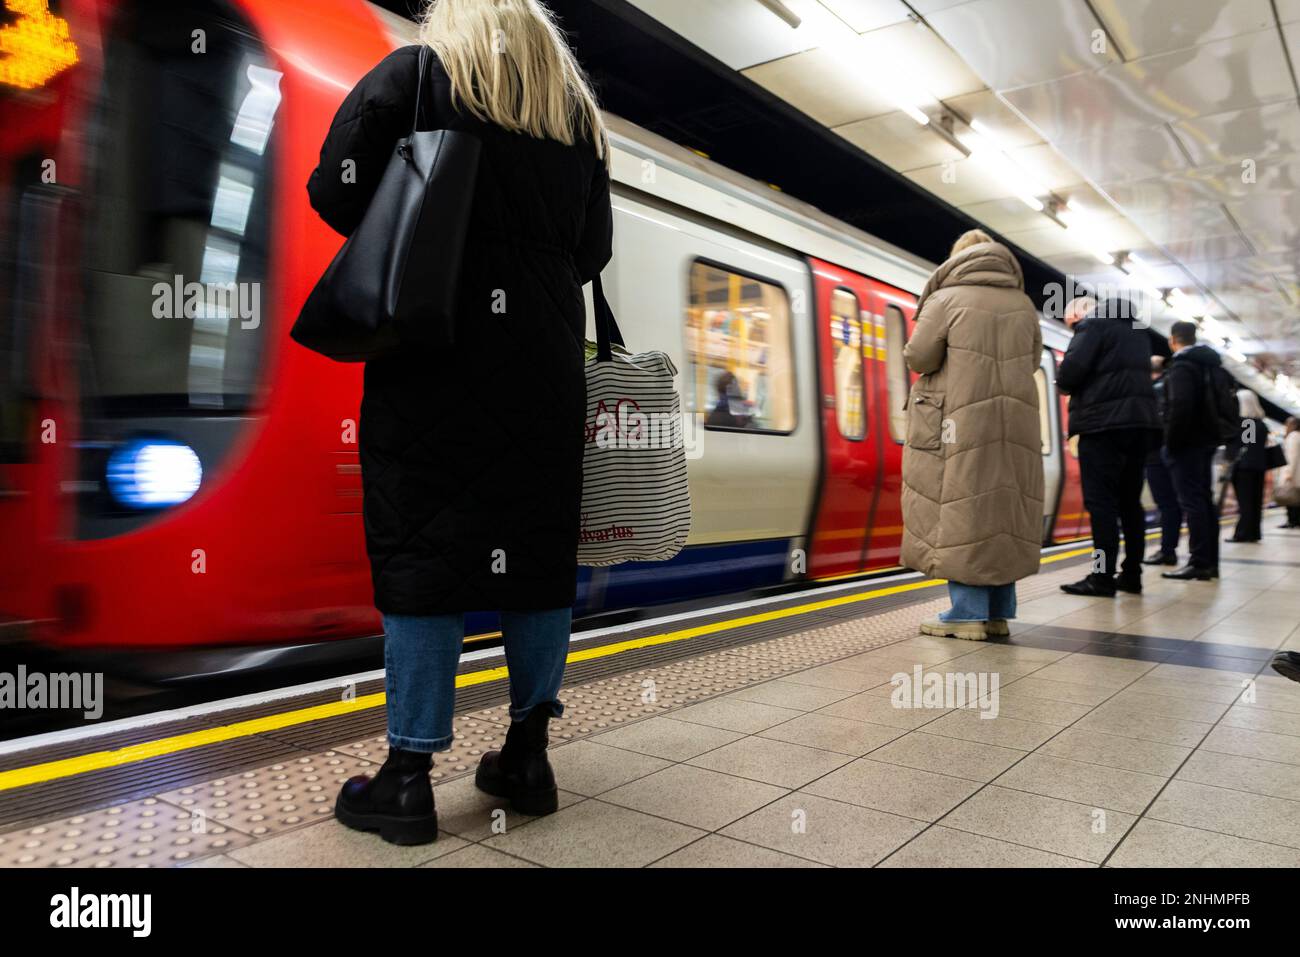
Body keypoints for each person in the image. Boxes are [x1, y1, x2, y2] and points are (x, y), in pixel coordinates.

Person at [306, 0, 614, 845]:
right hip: (545, 376)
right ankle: (528, 755)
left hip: (429, 356)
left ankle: (407, 780)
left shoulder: (415, 77)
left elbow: (332, 190)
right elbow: (592, 252)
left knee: (421, 552)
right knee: (539, 557)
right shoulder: (573, 117)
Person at [901, 229, 1044, 640]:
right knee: (1002, 510)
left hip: (956, 422)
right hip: (1012, 423)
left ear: (957, 259)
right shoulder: (1023, 304)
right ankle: (997, 614)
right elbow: (1032, 360)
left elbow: (919, 355)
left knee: (961, 508)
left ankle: (966, 614)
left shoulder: (945, 298)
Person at [1055, 296, 1161, 596]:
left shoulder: (1092, 326)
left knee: (1101, 505)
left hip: (1103, 426)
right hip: (1139, 427)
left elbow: (1069, 374)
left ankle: (1102, 576)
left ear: (1077, 313)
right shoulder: (1137, 332)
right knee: (1130, 503)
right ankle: (1132, 574)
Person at [1161, 321, 1223, 580]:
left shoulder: (1182, 366)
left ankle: (1198, 562)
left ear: (1173, 339)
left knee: (1193, 502)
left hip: (1186, 444)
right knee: (1204, 501)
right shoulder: (1208, 364)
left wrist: (1171, 443)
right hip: (1206, 441)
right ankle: (1209, 561)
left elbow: (1181, 406)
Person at [1143, 355, 1182, 565]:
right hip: (1169, 450)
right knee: (1172, 504)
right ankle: (1170, 548)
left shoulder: (1154, 389)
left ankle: (1167, 550)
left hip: (1155, 453)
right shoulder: (1172, 382)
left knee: (1166, 504)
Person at [1227, 390, 1267, 542]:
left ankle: (1243, 533)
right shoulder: (1261, 423)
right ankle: (1254, 533)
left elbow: (1246, 446)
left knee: (1246, 503)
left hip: (1246, 468)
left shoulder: (1248, 423)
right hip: (1257, 468)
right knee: (1255, 502)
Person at [1281, 416, 1300, 529]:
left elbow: (1291, 456)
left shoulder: (1292, 437)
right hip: (1297, 473)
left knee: (1290, 498)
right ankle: (1296, 520)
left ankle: (1292, 521)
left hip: (1293, 473)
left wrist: (1289, 473)